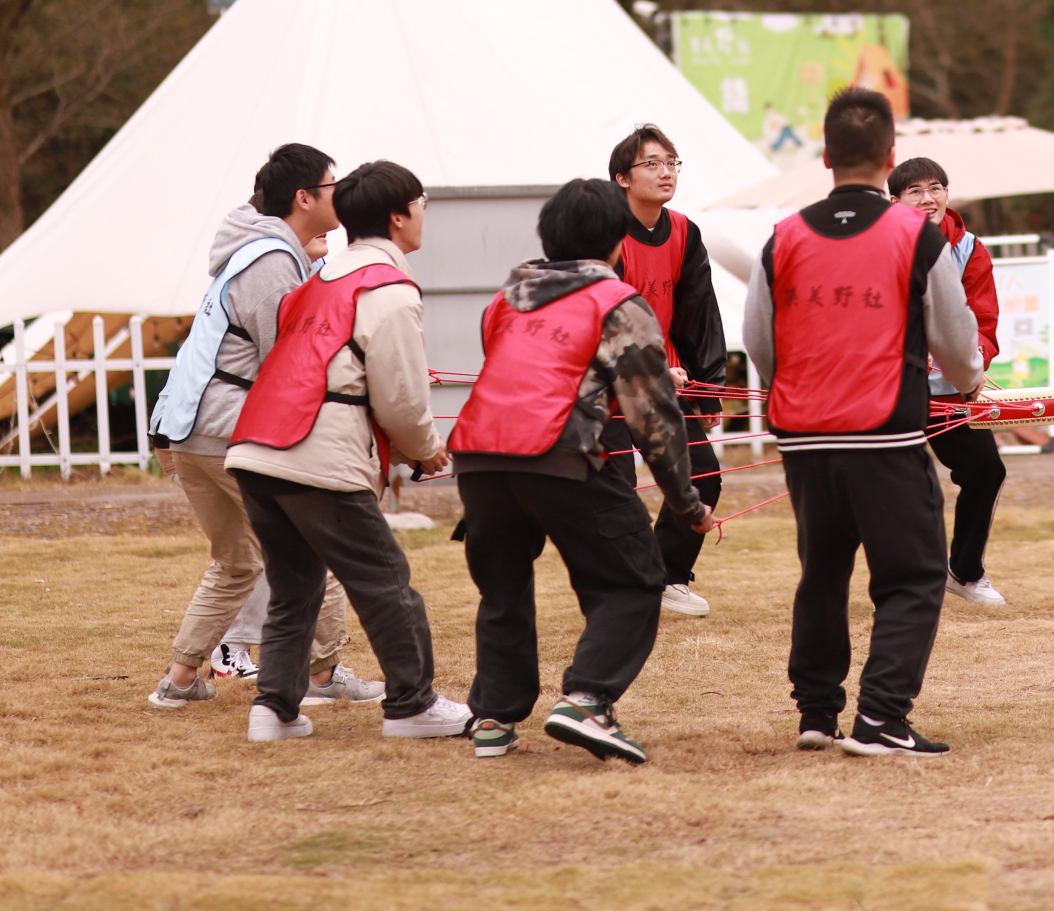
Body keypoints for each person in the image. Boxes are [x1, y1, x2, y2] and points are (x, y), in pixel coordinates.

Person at [743, 88, 985, 757]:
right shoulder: (916, 234)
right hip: (886, 435)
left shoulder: (783, 236)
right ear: (890, 157)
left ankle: (817, 713)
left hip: (804, 435)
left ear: (824, 156)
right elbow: (957, 342)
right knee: (912, 577)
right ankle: (881, 717)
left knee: (821, 572)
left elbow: (758, 339)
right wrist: (969, 386)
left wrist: (793, 390)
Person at [449, 178, 712, 763]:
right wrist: (686, 503)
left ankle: (492, 716)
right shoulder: (617, 301)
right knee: (635, 578)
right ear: (618, 240)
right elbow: (654, 417)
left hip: (480, 456)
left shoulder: (504, 299)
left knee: (503, 587)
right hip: (559, 454)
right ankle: (588, 699)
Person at [225, 160, 471, 744]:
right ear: (398, 214)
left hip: (256, 448)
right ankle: (412, 704)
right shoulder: (388, 290)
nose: (425, 213)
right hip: (317, 455)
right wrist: (427, 452)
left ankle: (276, 709)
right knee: (387, 582)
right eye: (422, 201)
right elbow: (403, 397)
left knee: (295, 588)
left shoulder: (318, 280)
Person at [144, 144, 379, 713]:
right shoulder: (271, 261)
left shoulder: (253, 251)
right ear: (304, 198)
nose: (339, 195)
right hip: (228, 429)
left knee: (238, 561)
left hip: (189, 429)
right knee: (313, 544)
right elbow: (289, 360)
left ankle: (179, 681)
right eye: (331, 186)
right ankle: (323, 677)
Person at [604, 124, 729, 619]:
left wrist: (709, 387)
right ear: (621, 179)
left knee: (704, 475)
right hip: (612, 382)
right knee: (616, 487)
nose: (665, 173)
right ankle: (619, 587)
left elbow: (700, 310)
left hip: (670, 378)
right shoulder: (604, 235)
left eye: (672, 163)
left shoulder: (683, 230)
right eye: (651, 164)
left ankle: (668, 575)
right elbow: (604, 317)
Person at [889, 157, 1010, 606]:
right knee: (899, 483)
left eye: (936, 188)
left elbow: (983, 318)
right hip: (893, 386)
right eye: (914, 192)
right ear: (894, 201)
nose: (928, 199)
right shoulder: (876, 244)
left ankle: (965, 571)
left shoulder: (969, 247)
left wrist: (974, 362)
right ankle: (901, 580)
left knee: (986, 471)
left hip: (952, 388)